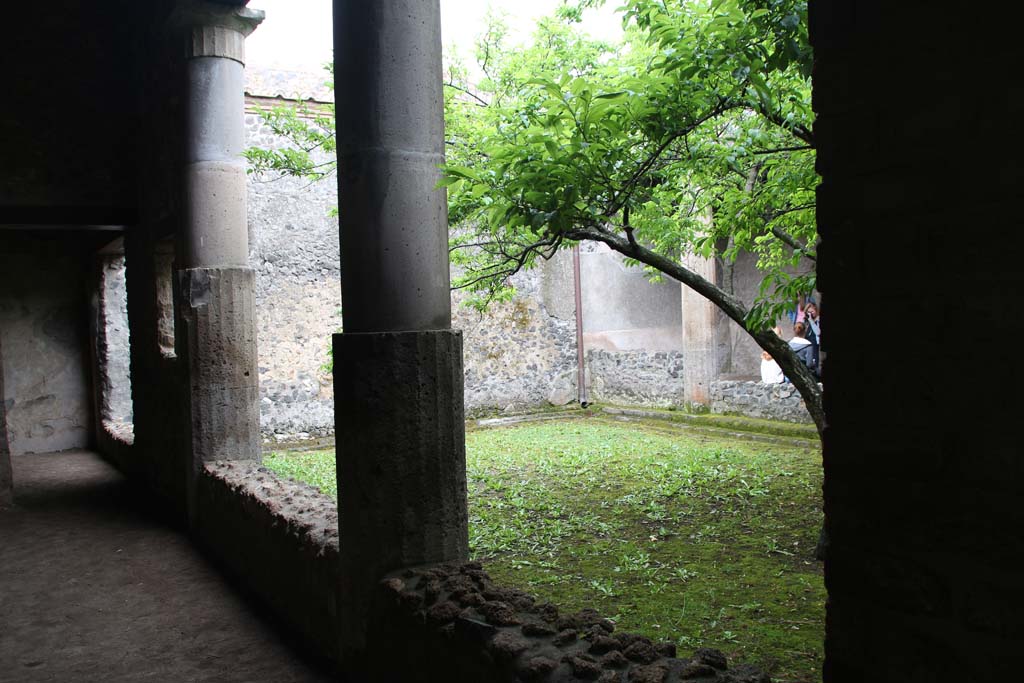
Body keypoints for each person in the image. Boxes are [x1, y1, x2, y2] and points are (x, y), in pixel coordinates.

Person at [804, 302, 821, 371]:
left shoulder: (818, 319)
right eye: (808, 312)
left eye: (812, 311)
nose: (810, 314)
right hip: (808, 346)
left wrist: (811, 321)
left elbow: (818, 332)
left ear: (816, 310)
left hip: (816, 346)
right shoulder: (807, 321)